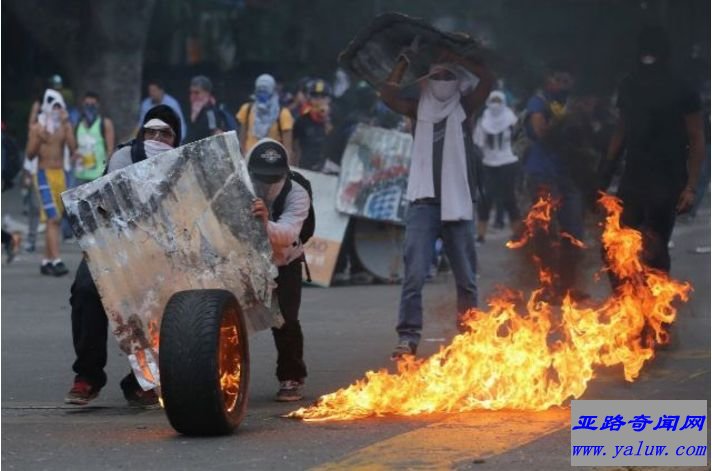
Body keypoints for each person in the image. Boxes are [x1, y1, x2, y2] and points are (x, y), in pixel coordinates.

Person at [379, 48, 493, 359]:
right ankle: (407, 337)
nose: (443, 81)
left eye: (449, 76)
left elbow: (488, 79)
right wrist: (402, 61)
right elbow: (387, 94)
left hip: (458, 205)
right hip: (423, 205)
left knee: (467, 280)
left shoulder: (465, 108)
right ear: (427, 80)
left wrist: (459, 57)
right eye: (437, 75)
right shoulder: (417, 109)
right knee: (414, 276)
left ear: (459, 81)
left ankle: (469, 337)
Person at [65, 105, 182, 407]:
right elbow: (99, 203)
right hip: (110, 241)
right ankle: (88, 376)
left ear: (175, 138)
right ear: (142, 133)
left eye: (165, 133)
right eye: (151, 131)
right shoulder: (122, 157)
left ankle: (140, 380)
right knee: (85, 292)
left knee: (155, 306)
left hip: (155, 251)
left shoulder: (182, 165)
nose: (157, 137)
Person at [599, 26, 705, 278]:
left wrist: (691, 187)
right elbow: (621, 131)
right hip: (634, 178)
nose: (648, 58)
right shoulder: (630, 84)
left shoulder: (683, 89)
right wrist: (604, 173)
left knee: (654, 248)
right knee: (619, 244)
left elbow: (696, 137)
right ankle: (626, 307)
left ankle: (655, 313)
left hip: (668, 180)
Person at [248, 138, 310, 401]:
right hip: (246, 260)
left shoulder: (297, 192)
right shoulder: (238, 185)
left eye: (274, 178)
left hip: (286, 260)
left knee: (285, 319)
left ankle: (291, 376)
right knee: (224, 320)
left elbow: (288, 233)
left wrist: (265, 223)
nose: (267, 184)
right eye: (261, 178)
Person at [25, 89, 77, 276]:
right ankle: (56, 260)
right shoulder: (38, 126)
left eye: (59, 106)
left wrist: (66, 123)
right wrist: (39, 138)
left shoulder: (64, 125)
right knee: (52, 218)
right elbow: (30, 154)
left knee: (53, 221)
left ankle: (46, 260)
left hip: (60, 175)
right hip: (43, 174)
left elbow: (72, 147)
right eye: (53, 106)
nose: (56, 109)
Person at [473, 90, 521, 243]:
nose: (495, 105)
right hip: (489, 162)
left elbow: (518, 138)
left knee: (509, 198)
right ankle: (481, 234)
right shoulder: (484, 120)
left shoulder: (511, 119)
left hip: (507, 160)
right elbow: (478, 141)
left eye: (498, 101)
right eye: (492, 101)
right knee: (485, 199)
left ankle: (518, 233)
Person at [236, 74, 294, 160]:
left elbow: (288, 148)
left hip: (273, 162)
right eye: (260, 90)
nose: (262, 94)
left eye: (266, 90)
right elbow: (241, 140)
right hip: (250, 160)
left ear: (273, 91)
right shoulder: (247, 110)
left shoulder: (283, 114)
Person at [73, 92, 115, 185]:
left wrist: (106, 171)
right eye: (87, 104)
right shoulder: (77, 124)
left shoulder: (105, 123)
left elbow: (110, 149)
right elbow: (74, 147)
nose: (90, 107)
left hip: (98, 175)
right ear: (83, 105)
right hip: (80, 175)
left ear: (98, 105)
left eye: (93, 104)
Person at [293, 79, 333, 171]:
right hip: (305, 168)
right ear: (309, 99)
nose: (319, 100)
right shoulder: (302, 119)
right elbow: (295, 147)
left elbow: (334, 140)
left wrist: (326, 119)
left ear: (329, 99)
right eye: (315, 96)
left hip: (328, 169)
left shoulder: (336, 118)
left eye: (323, 96)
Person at [185, 75, 222, 144]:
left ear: (207, 93)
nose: (193, 96)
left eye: (197, 93)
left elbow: (214, 133)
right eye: (191, 93)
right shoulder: (191, 109)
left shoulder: (210, 111)